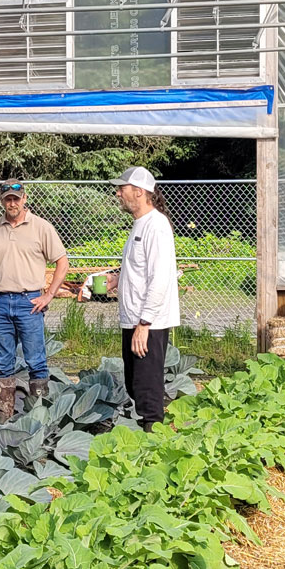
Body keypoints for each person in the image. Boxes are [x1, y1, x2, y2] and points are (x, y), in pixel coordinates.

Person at [0, 181, 68, 420]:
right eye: (8, 199)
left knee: (36, 360)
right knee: (3, 363)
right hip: (0, 303)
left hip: (30, 302)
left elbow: (62, 261)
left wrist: (49, 294)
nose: (12, 203)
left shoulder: (41, 227)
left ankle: (38, 419)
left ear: (24, 198)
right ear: (2, 201)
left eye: (16, 198)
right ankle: (4, 418)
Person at [114, 166, 179, 429]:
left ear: (139, 192)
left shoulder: (157, 225)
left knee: (147, 389)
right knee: (135, 384)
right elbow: (141, 271)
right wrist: (116, 280)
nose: (118, 193)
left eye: (123, 188)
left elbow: (161, 277)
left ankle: (154, 447)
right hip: (135, 320)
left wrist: (145, 323)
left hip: (148, 324)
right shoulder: (139, 225)